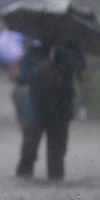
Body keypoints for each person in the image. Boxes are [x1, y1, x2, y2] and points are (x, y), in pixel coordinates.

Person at [15, 39, 85, 181]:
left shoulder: (70, 52)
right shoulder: (34, 54)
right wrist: (39, 70)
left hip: (60, 110)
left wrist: (61, 62)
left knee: (56, 158)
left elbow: (80, 68)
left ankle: (55, 183)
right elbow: (21, 78)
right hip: (36, 109)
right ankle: (23, 182)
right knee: (28, 152)